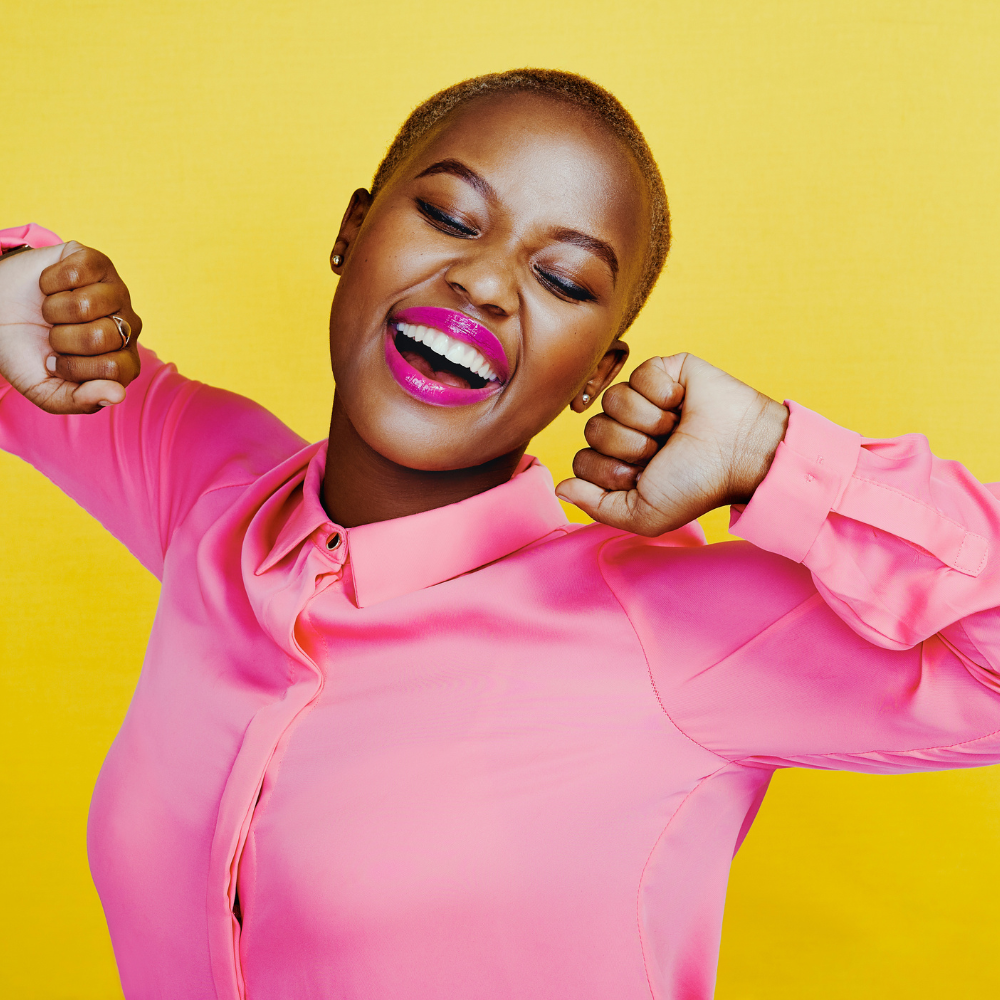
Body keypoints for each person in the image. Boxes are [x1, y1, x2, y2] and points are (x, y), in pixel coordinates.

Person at [2, 68, 999, 1000]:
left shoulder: (673, 628)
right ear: (353, 232)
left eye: (562, 279)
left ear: (594, 374)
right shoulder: (212, 492)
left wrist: (773, 451)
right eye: (446, 216)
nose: (483, 284)